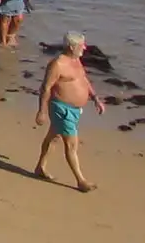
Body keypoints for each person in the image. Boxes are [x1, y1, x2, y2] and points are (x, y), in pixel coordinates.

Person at [35, 31, 105, 192]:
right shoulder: (57, 64)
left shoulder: (76, 60)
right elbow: (46, 88)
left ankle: (40, 167)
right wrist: (42, 111)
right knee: (71, 144)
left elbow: (83, 79)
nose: (85, 48)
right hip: (61, 109)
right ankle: (81, 181)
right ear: (72, 46)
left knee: (53, 137)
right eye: (82, 45)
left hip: (75, 110)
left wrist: (95, 98)